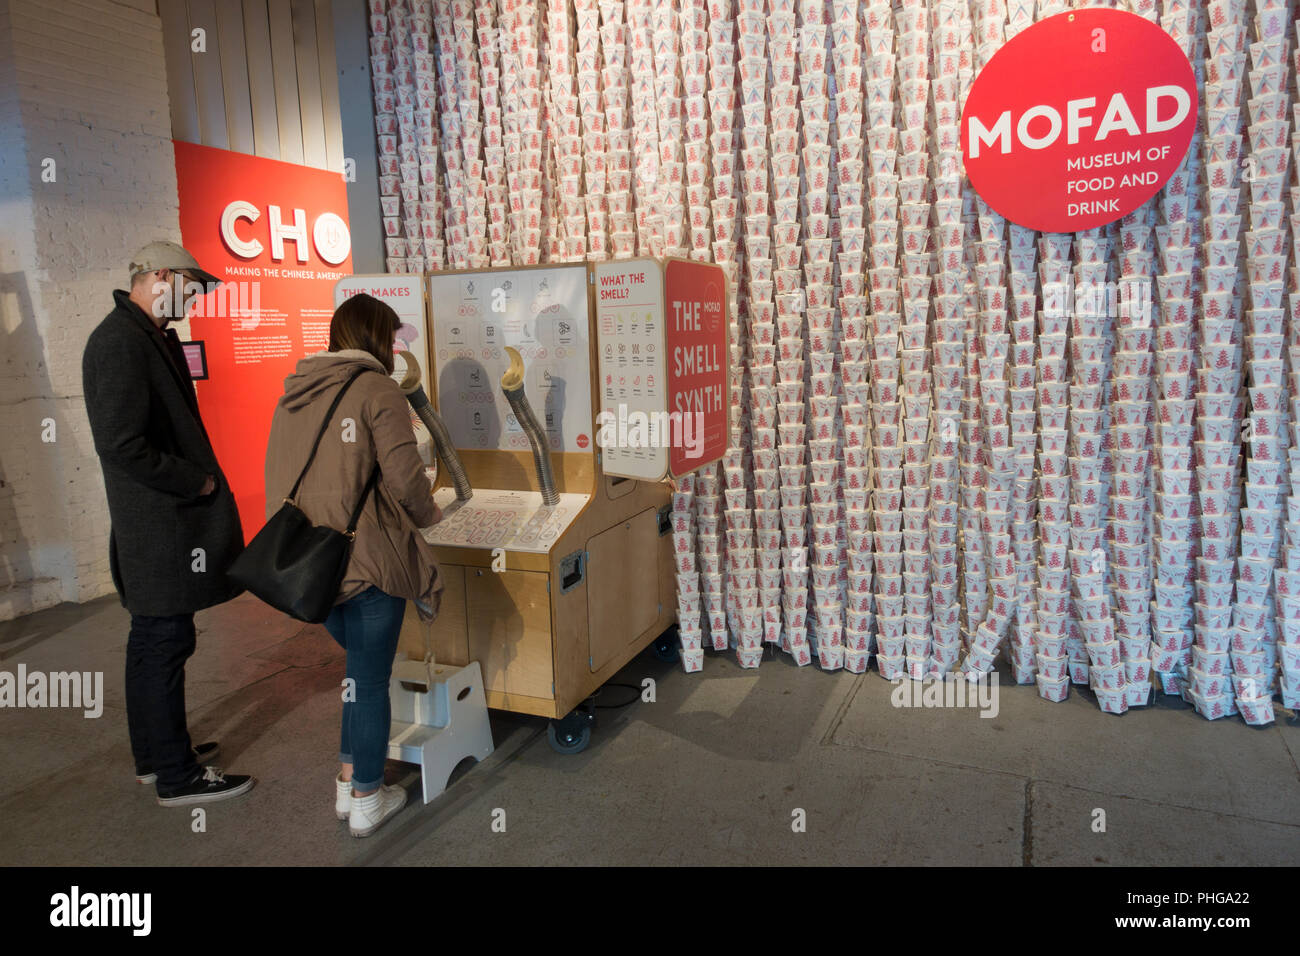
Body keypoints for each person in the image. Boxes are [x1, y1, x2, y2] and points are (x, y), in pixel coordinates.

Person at [83, 240, 255, 807]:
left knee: (154, 641)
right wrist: (195, 481)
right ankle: (177, 779)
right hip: (157, 524)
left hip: (160, 522)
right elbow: (121, 444)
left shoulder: (146, 336)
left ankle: (157, 756)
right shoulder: (119, 342)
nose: (197, 296)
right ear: (161, 275)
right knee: (163, 639)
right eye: (192, 284)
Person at [264, 293, 443, 838]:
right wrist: (429, 515)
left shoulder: (295, 390)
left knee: (355, 679)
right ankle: (368, 795)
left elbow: (278, 477)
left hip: (311, 567)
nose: (395, 348)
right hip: (367, 560)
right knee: (369, 683)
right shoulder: (377, 390)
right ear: (372, 338)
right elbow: (406, 477)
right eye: (391, 337)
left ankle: (347, 782)